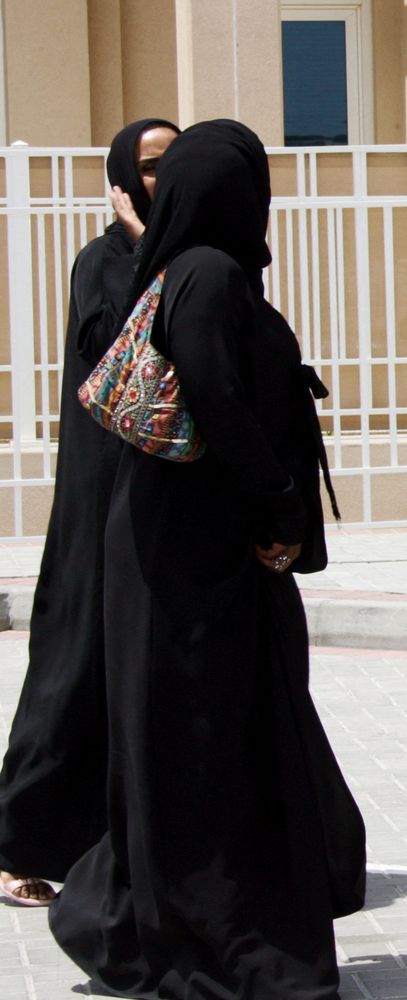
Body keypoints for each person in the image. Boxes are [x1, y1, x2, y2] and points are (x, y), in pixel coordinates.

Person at [48, 120, 366, 998]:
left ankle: (129, 918)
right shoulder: (211, 277)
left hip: (182, 550)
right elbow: (219, 398)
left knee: (203, 741)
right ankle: (205, 934)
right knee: (202, 745)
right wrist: (275, 503)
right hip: (194, 561)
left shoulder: (184, 272)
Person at [0, 118, 177, 908]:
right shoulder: (102, 259)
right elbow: (121, 342)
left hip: (165, 500)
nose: (161, 178)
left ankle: (128, 846)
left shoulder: (203, 256)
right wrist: (146, 243)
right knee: (74, 666)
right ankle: (18, 844)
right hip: (98, 493)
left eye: (175, 165)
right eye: (147, 166)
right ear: (120, 179)